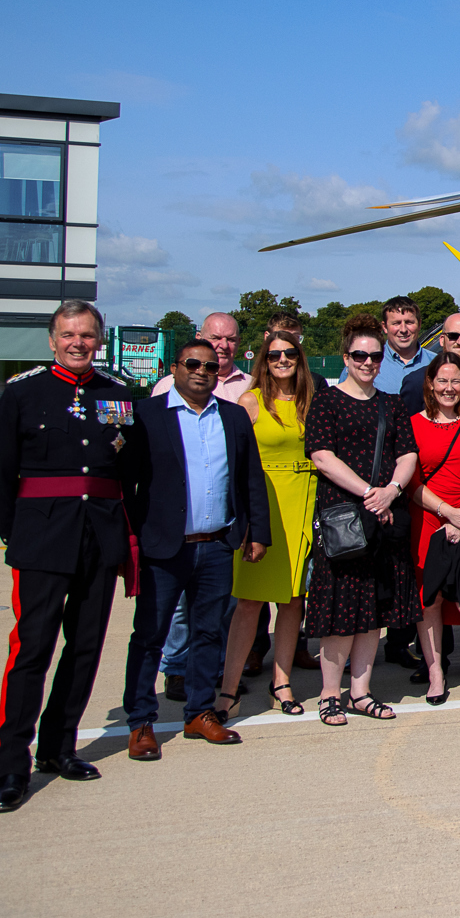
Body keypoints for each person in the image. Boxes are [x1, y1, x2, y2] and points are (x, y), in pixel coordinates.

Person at [0, 300, 142, 813]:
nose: (78, 343)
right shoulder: (25, 393)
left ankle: (58, 747)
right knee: (32, 651)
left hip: (99, 538)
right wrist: (18, 530)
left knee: (85, 647)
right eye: (69, 335)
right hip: (43, 540)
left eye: (88, 335)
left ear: (100, 339)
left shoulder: (117, 394)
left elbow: (130, 468)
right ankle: (11, 766)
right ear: (52, 339)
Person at [122, 337, 271, 754]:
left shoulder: (233, 417)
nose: (201, 372)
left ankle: (199, 712)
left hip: (217, 544)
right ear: (174, 368)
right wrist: (133, 537)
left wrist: (257, 532)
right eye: (192, 364)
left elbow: (250, 479)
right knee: (150, 636)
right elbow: (128, 483)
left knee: (209, 633)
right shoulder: (148, 415)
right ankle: (140, 720)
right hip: (165, 549)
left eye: (209, 366)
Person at [304, 313, 420, 727]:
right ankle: (329, 693)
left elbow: (408, 453)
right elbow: (321, 455)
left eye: (375, 356)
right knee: (339, 610)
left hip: (383, 516)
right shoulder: (328, 400)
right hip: (344, 515)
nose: (368, 363)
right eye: (360, 356)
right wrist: (370, 492)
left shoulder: (390, 404)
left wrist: (391, 489)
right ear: (346, 356)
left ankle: (361, 691)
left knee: (373, 609)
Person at [148, 311, 252, 699]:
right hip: (177, 523)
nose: (222, 347)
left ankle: (212, 674)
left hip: (222, 524)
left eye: (229, 340)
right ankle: (175, 668)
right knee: (173, 612)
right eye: (215, 339)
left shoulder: (250, 387)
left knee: (220, 607)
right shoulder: (163, 391)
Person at [217, 328, 315, 719]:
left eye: (289, 353)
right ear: (264, 359)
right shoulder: (250, 401)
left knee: (293, 601)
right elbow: (235, 464)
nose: (282, 361)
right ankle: (227, 688)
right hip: (266, 503)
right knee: (250, 601)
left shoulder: (312, 401)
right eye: (274, 355)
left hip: (304, 501)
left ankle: (282, 681)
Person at [409, 352, 460, 707]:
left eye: (456, 381)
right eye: (442, 380)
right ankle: (436, 674)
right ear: (430, 383)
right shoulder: (412, 424)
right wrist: (446, 513)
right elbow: (409, 482)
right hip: (428, 521)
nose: (449, 387)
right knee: (430, 599)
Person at [151, 312, 250, 403]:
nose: (224, 345)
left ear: (239, 342)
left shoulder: (253, 384)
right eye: (215, 338)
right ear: (199, 337)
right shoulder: (168, 386)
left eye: (231, 339)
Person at [372, 296, 434, 395]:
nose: (403, 329)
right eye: (396, 323)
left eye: (409, 322)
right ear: (384, 327)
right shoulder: (366, 363)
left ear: (419, 324)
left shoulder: (436, 363)